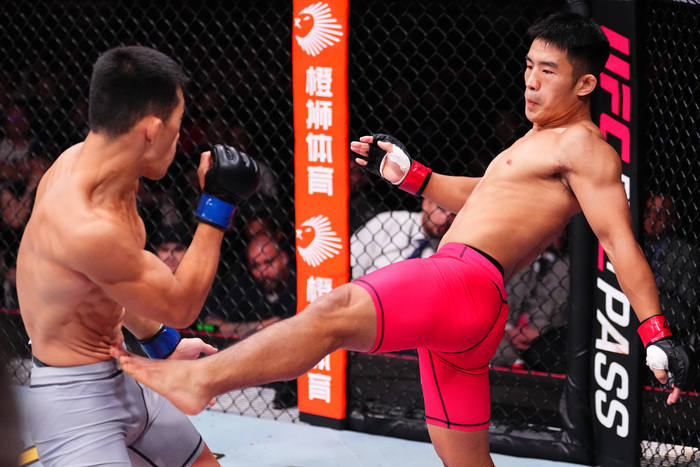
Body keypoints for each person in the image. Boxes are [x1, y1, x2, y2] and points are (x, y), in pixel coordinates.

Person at [110, 14, 697, 467]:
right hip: (470, 314)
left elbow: (619, 241)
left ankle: (202, 380)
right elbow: (484, 194)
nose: (531, 81)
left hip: (462, 280)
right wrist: (413, 176)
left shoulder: (585, 147)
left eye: (549, 71)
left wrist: (655, 332)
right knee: (466, 463)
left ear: (586, 83)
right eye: (528, 66)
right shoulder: (538, 141)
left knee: (336, 310)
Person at [16, 45, 260, 467]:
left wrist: (163, 345)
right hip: (75, 408)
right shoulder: (86, 224)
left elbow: (109, 283)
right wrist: (219, 203)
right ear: (151, 130)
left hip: (123, 373)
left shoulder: (100, 168)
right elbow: (181, 305)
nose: (180, 139)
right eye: (178, 127)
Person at [492, 229, 570, 373]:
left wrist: (541, 334)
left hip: (548, 339)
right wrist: (507, 330)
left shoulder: (571, 268)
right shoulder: (516, 259)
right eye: (557, 228)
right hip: (506, 333)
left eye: (564, 229)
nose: (560, 233)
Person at [350, 197, 454, 279]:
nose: (446, 219)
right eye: (441, 209)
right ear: (426, 203)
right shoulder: (389, 222)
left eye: (454, 214)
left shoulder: (447, 250)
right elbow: (353, 262)